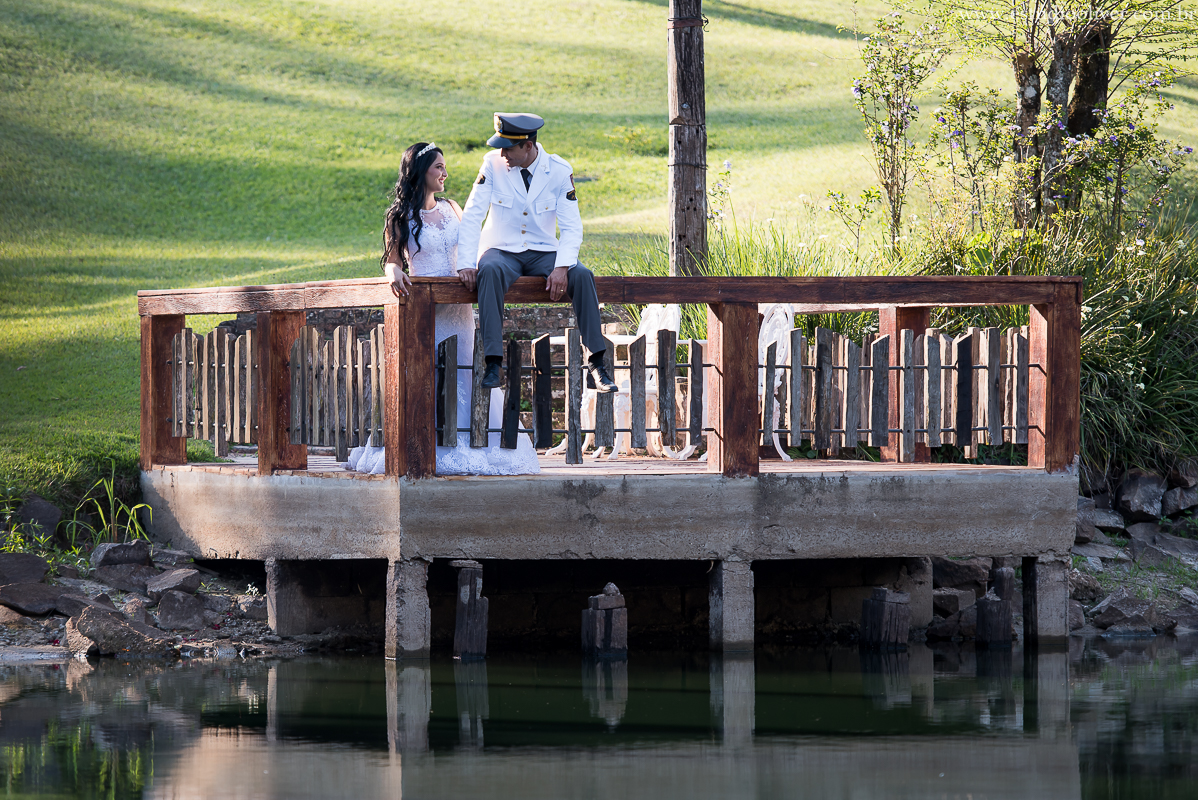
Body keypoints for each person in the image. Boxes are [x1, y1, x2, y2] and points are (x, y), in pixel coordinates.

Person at [346, 141, 540, 476]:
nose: (445, 173)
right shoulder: (401, 217)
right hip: (428, 313)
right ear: (422, 172)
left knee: (466, 369)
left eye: (444, 167)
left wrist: (476, 269)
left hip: (461, 309)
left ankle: (476, 442)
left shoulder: (452, 207)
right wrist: (393, 272)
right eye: (439, 167)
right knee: (433, 373)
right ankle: (428, 444)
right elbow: (392, 262)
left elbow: (472, 248)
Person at [456, 113, 618, 392]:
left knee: (581, 275)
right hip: (502, 249)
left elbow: (571, 226)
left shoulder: (557, 169)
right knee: (490, 270)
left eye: (508, 147)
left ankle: (597, 363)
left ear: (527, 146)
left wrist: (562, 267)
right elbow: (472, 215)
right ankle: (493, 362)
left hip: (543, 250)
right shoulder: (492, 164)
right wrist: (466, 263)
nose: (502, 152)